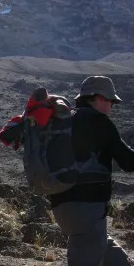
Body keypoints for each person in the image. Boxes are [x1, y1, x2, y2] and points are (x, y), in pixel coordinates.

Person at [49, 76, 134, 265]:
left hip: (62, 207)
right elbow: (128, 162)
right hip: (88, 206)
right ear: (98, 98)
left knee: (114, 259)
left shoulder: (65, 120)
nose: (112, 105)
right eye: (111, 100)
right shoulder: (99, 122)